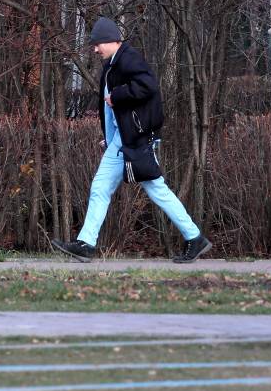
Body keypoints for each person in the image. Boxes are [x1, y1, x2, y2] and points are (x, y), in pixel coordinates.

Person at [52, 16, 212, 263]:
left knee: (155, 189)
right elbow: (112, 112)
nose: (95, 50)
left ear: (111, 40)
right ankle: (85, 244)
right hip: (122, 141)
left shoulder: (128, 59)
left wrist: (118, 95)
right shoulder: (112, 65)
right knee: (102, 188)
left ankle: (194, 237)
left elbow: (149, 87)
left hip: (136, 141)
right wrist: (110, 138)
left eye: (97, 44)